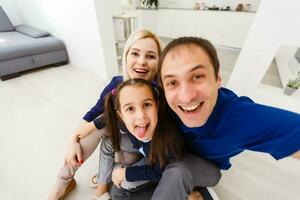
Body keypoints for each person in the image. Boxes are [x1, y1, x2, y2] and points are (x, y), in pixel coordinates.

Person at [155, 36, 300, 196]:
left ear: (218, 78)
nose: (186, 96)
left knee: (178, 172)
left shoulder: (239, 117)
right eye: (172, 83)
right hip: (174, 155)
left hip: (204, 167)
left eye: (197, 76)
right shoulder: (159, 101)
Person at [48, 28, 162, 200]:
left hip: (143, 150)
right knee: (95, 128)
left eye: (150, 56)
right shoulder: (117, 83)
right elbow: (93, 114)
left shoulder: (161, 92)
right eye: (135, 53)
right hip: (122, 139)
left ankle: (108, 177)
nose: (141, 62)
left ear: (159, 62)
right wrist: (73, 140)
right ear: (126, 56)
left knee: (108, 136)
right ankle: (61, 185)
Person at [102, 78, 186, 200]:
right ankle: (101, 188)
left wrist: (125, 174)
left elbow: (160, 172)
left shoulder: (169, 140)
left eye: (147, 105)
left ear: (156, 105)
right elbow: (103, 120)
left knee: (118, 192)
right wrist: (82, 132)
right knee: (107, 144)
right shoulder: (124, 123)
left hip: (163, 170)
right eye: (130, 109)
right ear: (121, 115)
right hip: (148, 155)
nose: (141, 116)